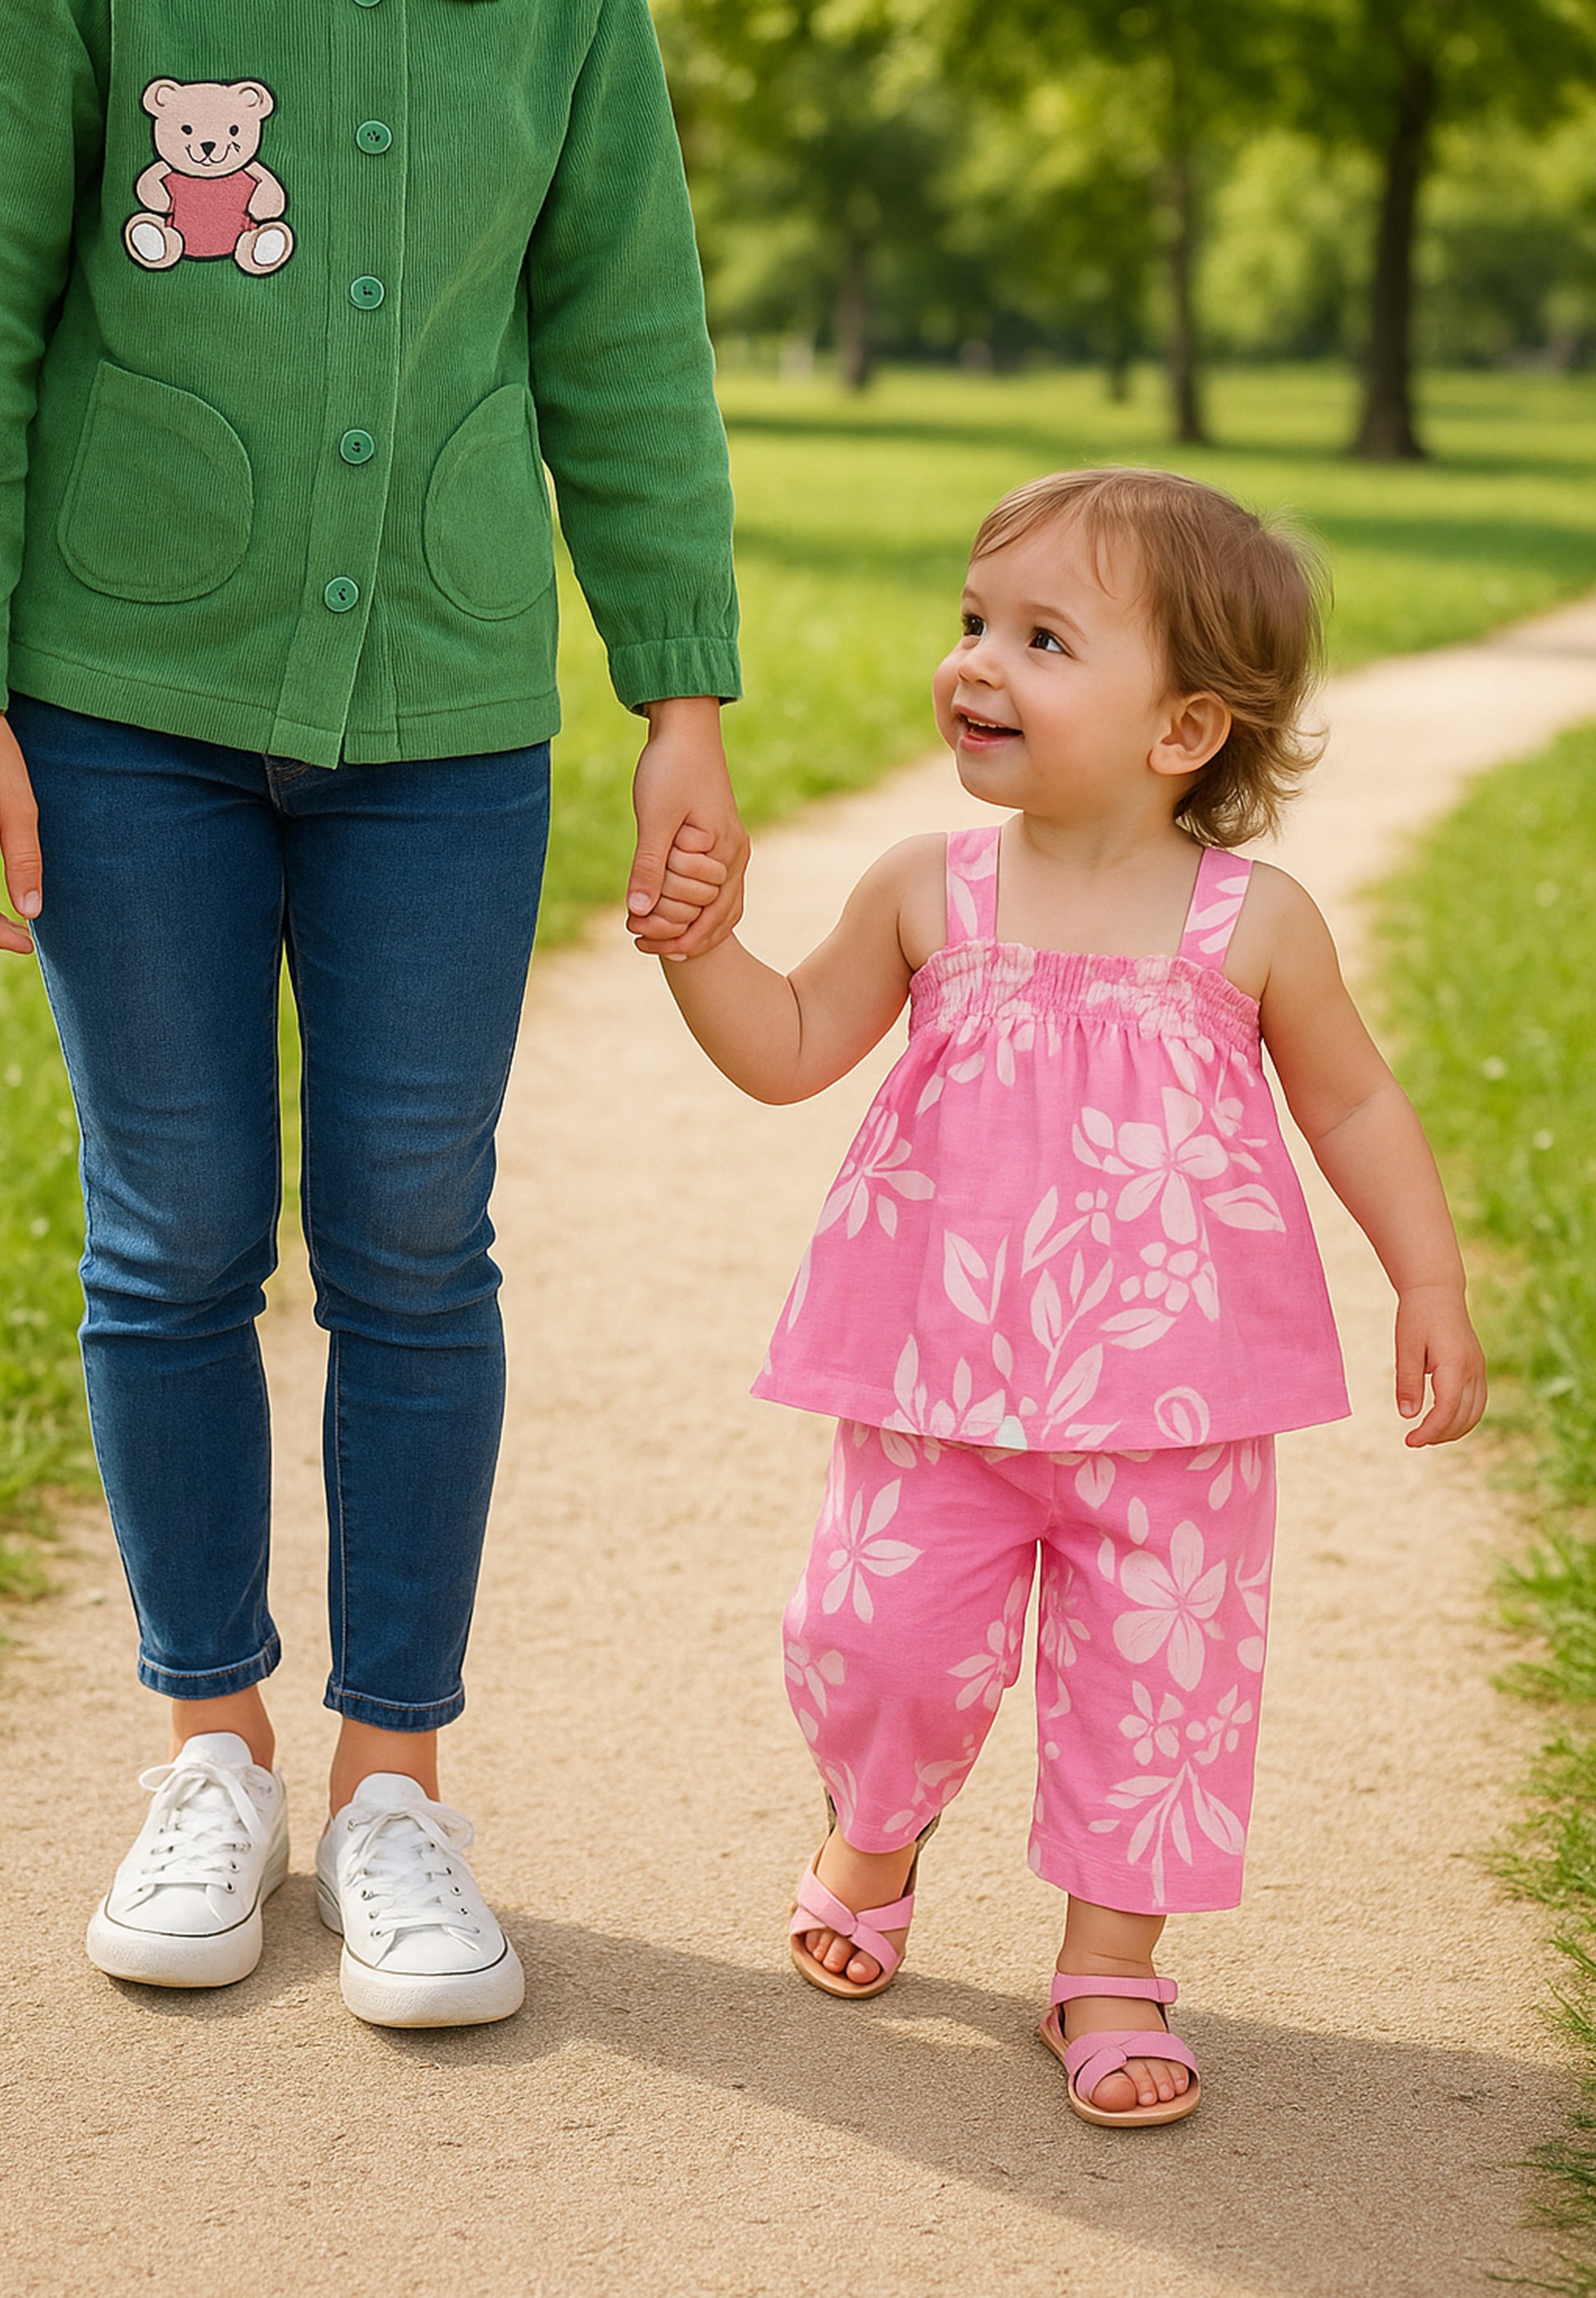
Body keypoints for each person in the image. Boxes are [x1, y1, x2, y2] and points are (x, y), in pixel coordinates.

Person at [0, 0, 746, 2027]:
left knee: (415, 1237)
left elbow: (620, 322)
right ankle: (208, 1756)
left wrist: (680, 690)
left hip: (448, 708)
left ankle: (394, 1785)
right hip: (116, 697)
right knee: (173, 1234)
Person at [645, 467, 1486, 2126]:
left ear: (1184, 729)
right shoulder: (925, 890)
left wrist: (1426, 1275)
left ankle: (1110, 1964)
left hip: (1175, 1406)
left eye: (1041, 638)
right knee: (875, 1642)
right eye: (974, 624)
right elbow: (791, 1048)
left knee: (1160, 1690)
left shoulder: (1252, 927)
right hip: (934, 1386)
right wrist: (701, 949)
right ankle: (871, 1832)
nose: (977, 661)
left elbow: (1354, 1105)